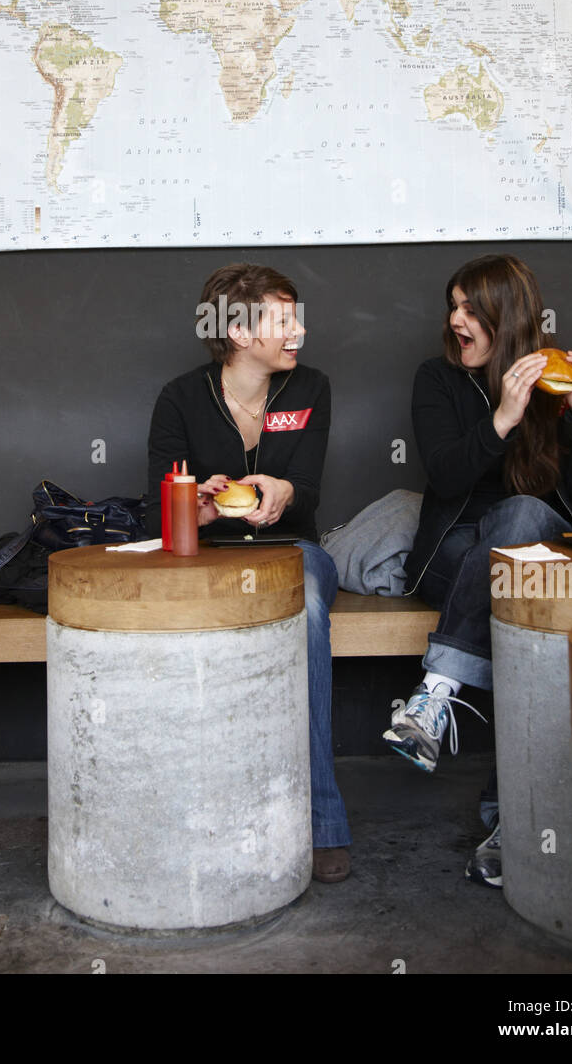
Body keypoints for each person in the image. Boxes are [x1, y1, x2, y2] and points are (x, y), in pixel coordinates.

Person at [383, 253, 572, 885]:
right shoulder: (435, 380)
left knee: (523, 521)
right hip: (455, 556)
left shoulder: (553, 379)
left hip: (539, 562)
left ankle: (435, 697)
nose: (455, 319)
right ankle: (513, 826)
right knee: (522, 600)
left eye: (470, 309)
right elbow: (448, 472)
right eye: (452, 306)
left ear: (504, 318)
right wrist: (502, 418)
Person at [145, 262, 352, 883]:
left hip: (292, 551)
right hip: (205, 559)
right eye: (283, 321)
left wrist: (284, 490)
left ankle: (322, 821)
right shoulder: (180, 399)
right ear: (238, 332)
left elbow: (308, 492)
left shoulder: (311, 389)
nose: (299, 332)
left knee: (309, 604)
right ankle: (184, 817)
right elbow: (159, 508)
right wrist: (199, 507)